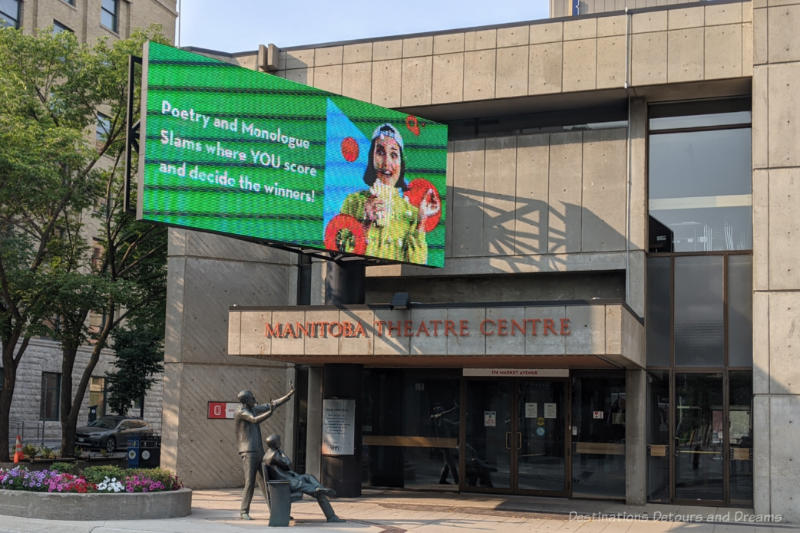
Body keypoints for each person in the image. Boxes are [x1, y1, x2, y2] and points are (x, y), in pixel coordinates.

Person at [340, 123, 440, 263]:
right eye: (380, 152)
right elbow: (341, 251)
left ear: (401, 163)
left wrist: (422, 220)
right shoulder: (354, 201)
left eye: (393, 154)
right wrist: (366, 223)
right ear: (372, 157)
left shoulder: (410, 212)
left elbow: (417, 261)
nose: (387, 163)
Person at [235, 387, 294, 520]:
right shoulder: (241, 412)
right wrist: (270, 413)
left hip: (258, 451)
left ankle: (276, 511)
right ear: (245, 401)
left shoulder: (252, 409)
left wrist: (288, 395)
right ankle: (244, 511)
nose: (255, 400)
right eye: (252, 398)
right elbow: (255, 420)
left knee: (266, 482)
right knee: (250, 482)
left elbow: (271, 404)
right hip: (248, 451)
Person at [262, 434, 343, 522]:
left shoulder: (269, 453)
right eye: (279, 441)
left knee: (308, 476)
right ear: (276, 443)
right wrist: (282, 453)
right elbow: (289, 464)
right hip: (286, 484)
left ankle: (320, 488)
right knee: (319, 494)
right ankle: (330, 515)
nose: (280, 442)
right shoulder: (274, 456)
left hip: (287, 481)